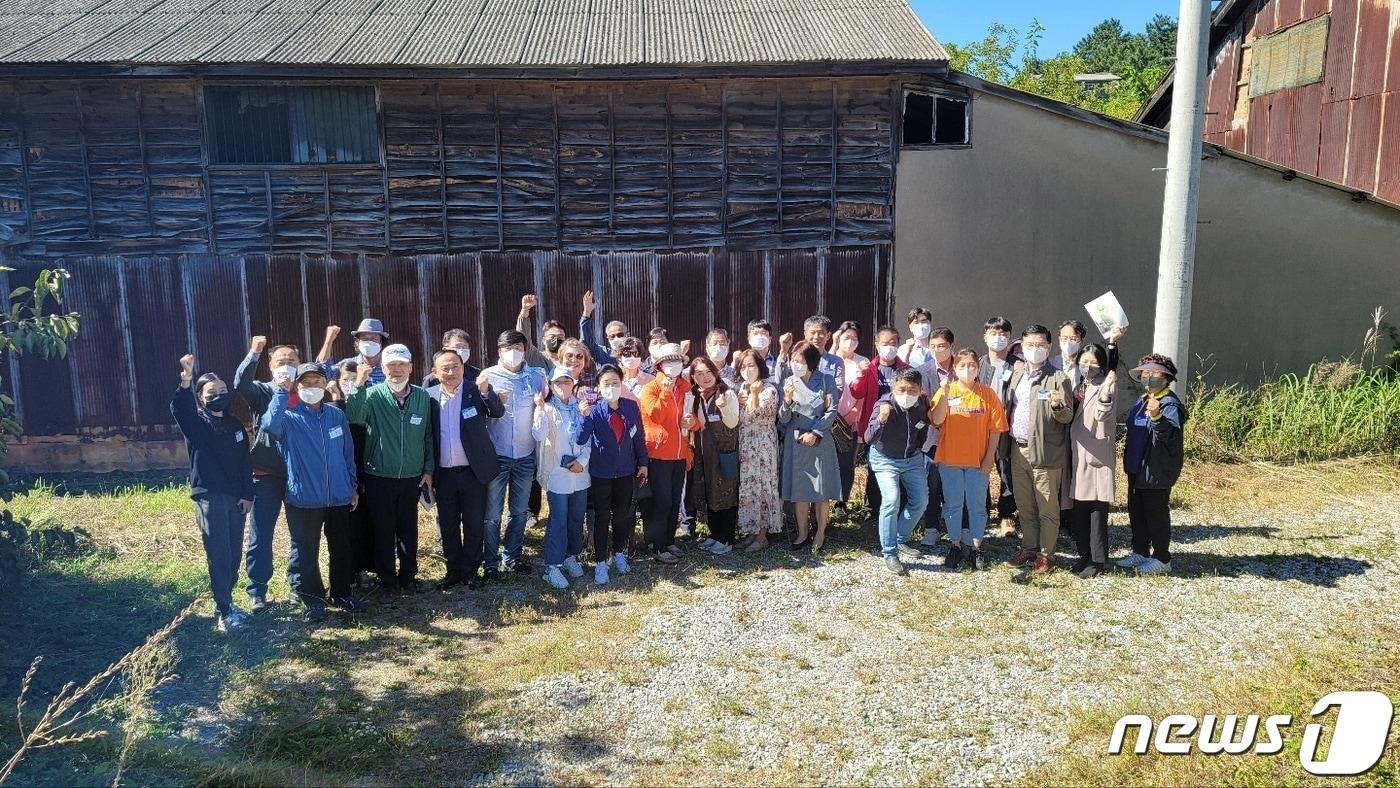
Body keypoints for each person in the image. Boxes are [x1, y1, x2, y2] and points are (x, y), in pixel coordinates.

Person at [262, 363, 360, 621]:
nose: (312, 387)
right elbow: (269, 425)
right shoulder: (289, 418)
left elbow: (347, 453)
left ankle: (341, 593)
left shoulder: (335, 415)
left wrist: (352, 485)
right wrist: (281, 393)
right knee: (306, 550)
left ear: (324, 384)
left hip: (338, 495)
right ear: (298, 386)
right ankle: (313, 600)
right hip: (304, 498)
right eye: (306, 382)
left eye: (317, 381)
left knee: (341, 546)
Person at [170, 354, 253, 632]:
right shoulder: (197, 424)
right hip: (209, 496)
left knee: (233, 553)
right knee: (219, 553)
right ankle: (224, 611)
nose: (218, 396)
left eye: (222, 391)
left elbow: (244, 463)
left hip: (235, 497)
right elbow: (180, 409)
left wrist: (247, 494)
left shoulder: (235, 426)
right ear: (200, 396)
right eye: (211, 392)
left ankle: (226, 601)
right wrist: (186, 379)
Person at [346, 344, 435, 596]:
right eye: (391, 365)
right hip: (379, 476)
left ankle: (408, 578)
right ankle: (387, 582)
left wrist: (428, 470)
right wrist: (359, 385)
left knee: (409, 529)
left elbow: (428, 436)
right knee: (383, 531)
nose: (396, 370)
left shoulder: (421, 396)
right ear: (382, 369)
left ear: (410, 367)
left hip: (412, 477)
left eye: (401, 364)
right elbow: (354, 417)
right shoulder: (372, 395)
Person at [231, 335, 300, 612]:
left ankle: (298, 585)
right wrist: (254, 352)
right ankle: (257, 591)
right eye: (280, 361)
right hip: (265, 473)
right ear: (270, 365)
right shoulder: (261, 391)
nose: (286, 365)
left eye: (291, 361)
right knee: (261, 535)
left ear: (299, 363)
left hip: (298, 474)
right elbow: (240, 384)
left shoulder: (307, 391)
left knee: (301, 535)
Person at [427, 348, 504, 590]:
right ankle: (453, 571)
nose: (451, 372)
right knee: (448, 525)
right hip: (444, 475)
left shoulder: (474, 390)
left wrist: (485, 391)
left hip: (473, 472)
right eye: (445, 368)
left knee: (473, 523)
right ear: (435, 372)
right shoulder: (427, 396)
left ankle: (470, 571)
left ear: (463, 367)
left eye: (455, 367)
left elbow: (497, 411)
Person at [1004, 325, 1075, 575]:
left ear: (1049, 347)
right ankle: (1028, 547)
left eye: (1041, 345)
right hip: (1017, 448)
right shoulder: (1017, 374)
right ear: (1022, 348)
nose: (1035, 350)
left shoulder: (1059, 378)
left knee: (1047, 507)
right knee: (1025, 505)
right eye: (1030, 345)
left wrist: (1057, 406)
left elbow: (1067, 416)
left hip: (1046, 452)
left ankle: (1046, 555)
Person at [930, 349, 1008, 571]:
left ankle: (976, 547)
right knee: (953, 505)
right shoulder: (946, 390)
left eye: (972, 365)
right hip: (950, 459)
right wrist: (944, 394)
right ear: (955, 368)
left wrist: (989, 459)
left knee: (976, 506)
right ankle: (955, 545)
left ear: (978, 367)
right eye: (962, 365)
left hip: (977, 461)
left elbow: (996, 430)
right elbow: (936, 419)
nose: (968, 369)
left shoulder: (988, 394)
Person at [481, 329, 548, 578]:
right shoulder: (487, 376)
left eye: (519, 348)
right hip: (497, 455)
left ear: (525, 350)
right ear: (499, 351)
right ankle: (489, 561)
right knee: (492, 514)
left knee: (519, 511)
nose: (514, 353)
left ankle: (512, 556)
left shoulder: (536, 376)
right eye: (509, 348)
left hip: (525, 455)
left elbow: (546, 404)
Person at [1118, 354, 1188, 575]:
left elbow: (1169, 433)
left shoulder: (1169, 404)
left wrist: (1157, 415)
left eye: (1154, 373)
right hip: (1137, 468)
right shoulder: (1143, 399)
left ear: (1166, 377)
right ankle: (1140, 551)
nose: (1148, 377)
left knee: (1156, 514)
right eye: (1145, 373)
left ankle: (1162, 558)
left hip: (1156, 470)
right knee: (1137, 511)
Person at [578, 364, 649, 585]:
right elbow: (581, 439)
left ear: (622, 384)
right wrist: (584, 417)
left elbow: (638, 437)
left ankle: (619, 554)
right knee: (601, 517)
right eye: (606, 384)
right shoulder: (595, 410)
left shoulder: (630, 407)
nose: (611, 388)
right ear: (599, 388)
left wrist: (643, 463)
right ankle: (600, 562)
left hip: (626, 471)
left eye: (615, 383)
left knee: (622, 515)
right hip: (601, 473)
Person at [864, 368, 930, 575]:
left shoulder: (921, 405)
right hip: (885, 459)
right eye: (902, 389)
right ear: (894, 387)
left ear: (920, 390)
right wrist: (881, 419)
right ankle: (889, 552)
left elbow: (922, 431)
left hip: (912, 458)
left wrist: (916, 449)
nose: (907, 394)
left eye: (912, 390)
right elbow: (869, 438)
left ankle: (900, 538)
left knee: (921, 500)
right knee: (892, 499)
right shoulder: (884, 405)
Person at [779, 340, 841, 553]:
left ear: (812, 363)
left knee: (820, 490)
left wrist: (815, 432)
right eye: (793, 360)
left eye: (800, 361)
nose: (796, 365)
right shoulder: (789, 381)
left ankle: (821, 533)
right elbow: (783, 419)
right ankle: (802, 533)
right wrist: (786, 400)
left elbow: (832, 410)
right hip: (795, 442)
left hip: (819, 441)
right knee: (800, 490)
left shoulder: (826, 380)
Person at [533, 367, 591, 589]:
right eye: (558, 383)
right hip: (558, 474)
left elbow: (588, 439)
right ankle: (552, 566)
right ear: (550, 385)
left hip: (580, 473)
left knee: (577, 517)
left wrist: (582, 462)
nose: (563, 386)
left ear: (573, 384)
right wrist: (538, 410)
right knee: (558, 519)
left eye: (567, 382)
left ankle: (571, 556)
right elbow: (538, 435)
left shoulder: (580, 408)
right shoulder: (546, 409)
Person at [639, 343, 696, 564]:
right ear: (659, 365)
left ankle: (669, 540)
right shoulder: (650, 388)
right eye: (669, 361)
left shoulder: (685, 387)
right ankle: (656, 544)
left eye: (678, 361)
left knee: (673, 501)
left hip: (680, 453)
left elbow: (691, 418)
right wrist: (665, 389)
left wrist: (692, 423)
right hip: (658, 453)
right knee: (661, 502)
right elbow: (656, 416)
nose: (674, 365)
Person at [848, 326, 907, 520]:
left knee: (897, 469)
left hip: (898, 427)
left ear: (898, 345)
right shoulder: (870, 368)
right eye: (885, 343)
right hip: (874, 426)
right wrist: (861, 374)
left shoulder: (905, 369)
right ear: (876, 345)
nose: (889, 347)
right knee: (874, 469)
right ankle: (872, 508)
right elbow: (856, 392)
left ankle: (897, 508)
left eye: (893, 343)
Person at [1069, 345, 1116, 578]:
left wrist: (1106, 394)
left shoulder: (1105, 384)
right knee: (1080, 508)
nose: (1088, 366)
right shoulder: (1080, 384)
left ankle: (1098, 560)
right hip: (1078, 452)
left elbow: (1102, 413)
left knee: (1096, 510)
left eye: (1093, 362)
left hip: (1095, 453)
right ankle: (1084, 554)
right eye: (1084, 361)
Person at [687, 356, 741, 555]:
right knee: (710, 493)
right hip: (704, 453)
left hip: (723, 452)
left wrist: (724, 406)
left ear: (715, 372)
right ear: (693, 377)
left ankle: (726, 539)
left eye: (708, 372)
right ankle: (714, 535)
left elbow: (733, 423)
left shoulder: (727, 393)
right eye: (699, 374)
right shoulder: (696, 396)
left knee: (726, 494)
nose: (705, 377)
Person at [735, 349, 782, 551]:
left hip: (762, 446)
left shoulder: (768, 389)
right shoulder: (741, 389)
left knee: (763, 487)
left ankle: (762, 535)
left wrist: (753, 395)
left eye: (751, 365)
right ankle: (752, 531)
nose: (747, 370)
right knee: (749, 487)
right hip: (746, 444)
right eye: (743, 366)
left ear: (760, 367)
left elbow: (756, 415)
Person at [979, 317, 1020, 536]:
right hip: (981, 427)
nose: (998, 338)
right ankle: (982, 510)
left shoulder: (1018, 365)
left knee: (1007, 472)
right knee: (979, 469)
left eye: (1003, 334)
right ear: (985, 337)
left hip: (1008, 428)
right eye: (994, 334)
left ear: (1009, 337)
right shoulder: (978, 363)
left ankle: (1006, 515)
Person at [914, 326, 955, 547]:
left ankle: (957, 527)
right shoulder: (922, 372)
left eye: (942, 346)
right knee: (931, 484)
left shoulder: (963, 368)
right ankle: (931, 527)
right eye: (933, 346)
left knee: (956, 485)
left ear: (951, 347)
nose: (938, 350)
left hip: (959, 439)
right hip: (931, 438)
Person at [831, 321, 867, 518]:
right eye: (847, 337)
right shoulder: (830, 359)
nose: (851, 341)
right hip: (829, 419)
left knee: (846, 463)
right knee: (828, 462)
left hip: (851, 420)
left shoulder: (862, 362)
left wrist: (854, 411)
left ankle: (841, 502)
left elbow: (864, 391)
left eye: (854, 338)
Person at [321, 319, 389, 386]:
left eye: (374, 339)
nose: (369, 342)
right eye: (365, 339)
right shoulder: (348, 365)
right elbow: (323, 373)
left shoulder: (390, 366)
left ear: (381, 342)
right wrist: (328, 341)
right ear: (358, 342)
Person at [579, 289, 626, 367]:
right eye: (612, 336)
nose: (616, 338)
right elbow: (586, 341)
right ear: (607, 338)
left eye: (620, 335)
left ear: (627, 335)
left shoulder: (634, 353)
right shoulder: (602, 353)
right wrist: (587, 313)